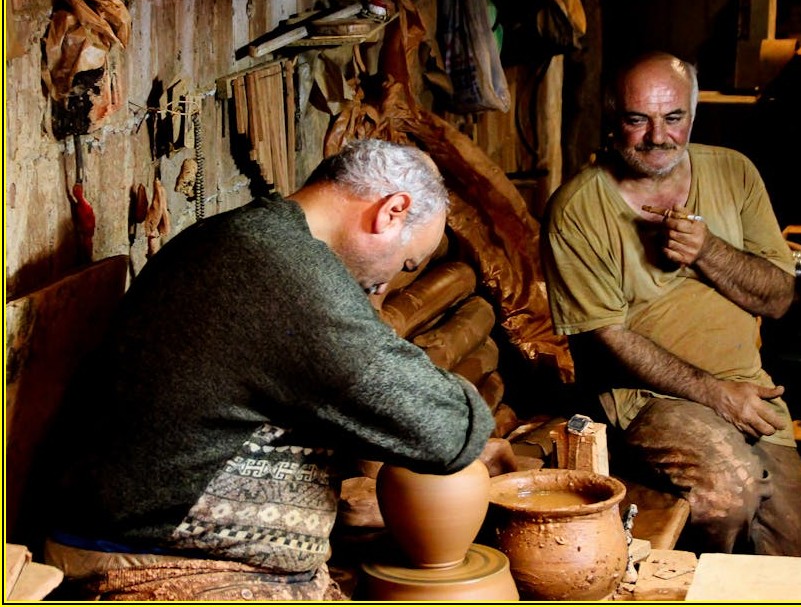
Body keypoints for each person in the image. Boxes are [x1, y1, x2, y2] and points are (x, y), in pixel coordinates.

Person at [42, 138, 515, 600]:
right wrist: (472, 426)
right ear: (390, 210)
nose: (385, 283)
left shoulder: (250, 237)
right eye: (407, 261)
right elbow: (445, 429)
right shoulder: (282, 272)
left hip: (161, 537)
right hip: (144, 559)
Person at [540, 52, 801, 557]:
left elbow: (780, 297)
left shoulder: (735, 173)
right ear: (613, 120)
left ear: (692, 117)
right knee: (731, 495)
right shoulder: (578, 209)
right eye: (639, 120)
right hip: (649, 401)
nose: (659, 137)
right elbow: (608, 340)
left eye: (674, 118)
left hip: (752, 393)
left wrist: (708, 252)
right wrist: (718, 396)